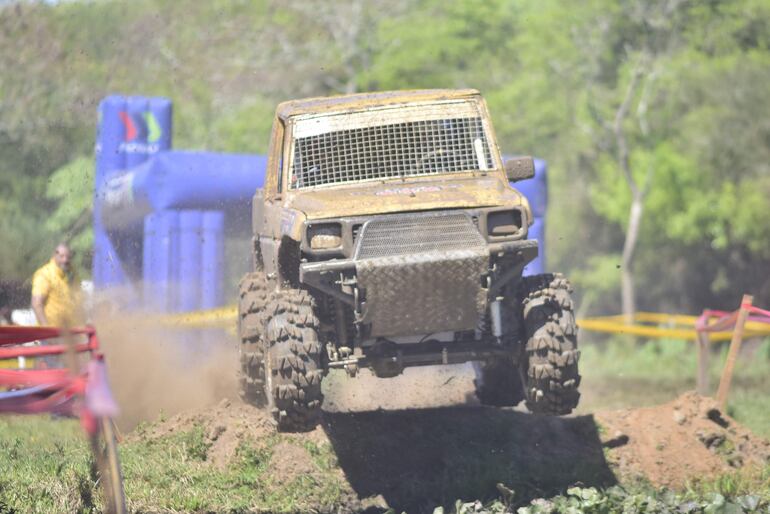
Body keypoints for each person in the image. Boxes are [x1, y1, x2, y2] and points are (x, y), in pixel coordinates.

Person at [31, 243, 84, 328]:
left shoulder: (74, 275)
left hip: (71, 334)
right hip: (50, 335)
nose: (65, 260)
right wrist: (47, 330)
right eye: (62, 256)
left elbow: (80, 304)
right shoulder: (44, 274)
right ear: (54, 255)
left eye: (68, 257)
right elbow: (37, 304)